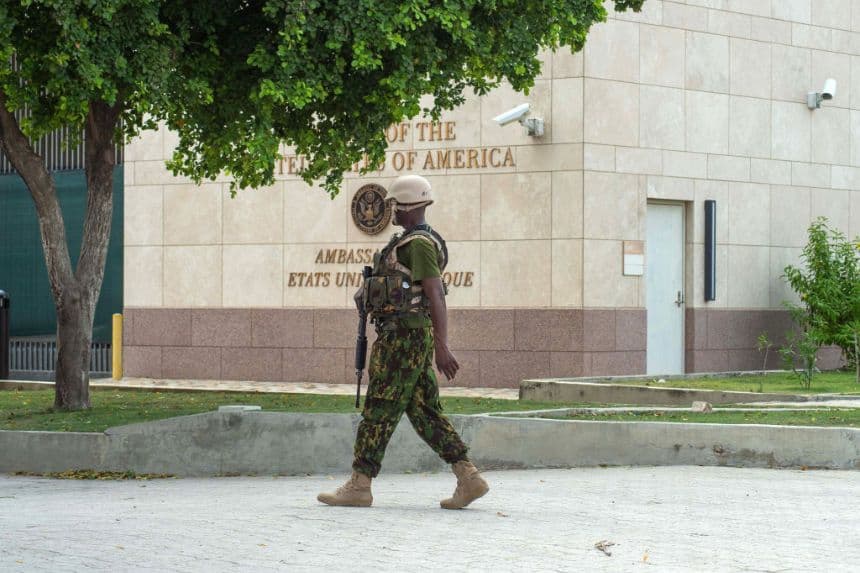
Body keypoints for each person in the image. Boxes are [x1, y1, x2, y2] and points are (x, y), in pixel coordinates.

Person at [317, 174, 489, 510]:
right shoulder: (405, 243)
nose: (391, 210)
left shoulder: (419, 245)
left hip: (403, 340)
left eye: (395, 204)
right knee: (425, 411)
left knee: (378, 408)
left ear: (409, 205)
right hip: (402, 335)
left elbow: (435, 293)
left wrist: (442, 346)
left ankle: (360, 485)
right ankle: (468, 477)